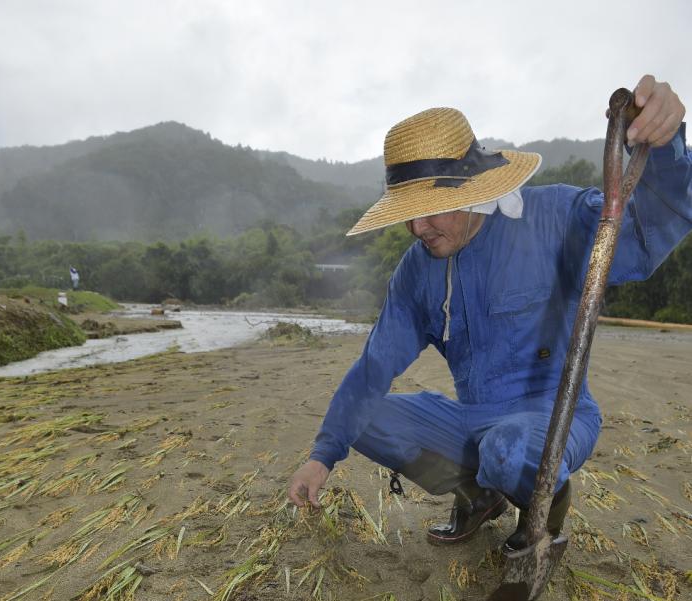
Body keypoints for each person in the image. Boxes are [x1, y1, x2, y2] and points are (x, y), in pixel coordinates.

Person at [287, 76, 690, 551]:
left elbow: (645, 234)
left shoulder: (553, 218)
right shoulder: (417, 272)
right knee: (363, 415)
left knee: (507, 449)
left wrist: (666, 147)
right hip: (474, 422)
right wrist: (322, 456)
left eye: (434, 207)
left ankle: (545, 516)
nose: (419, 227)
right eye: (409, 211)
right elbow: (373, 368)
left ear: (475, 189)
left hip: (554, 418)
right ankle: (476, 496)